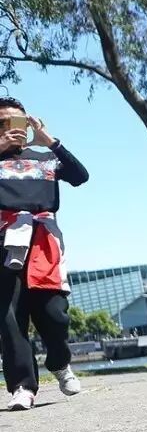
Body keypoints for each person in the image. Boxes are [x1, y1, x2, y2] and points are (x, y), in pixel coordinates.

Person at [0, 98, 89, 410]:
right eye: (2, 124)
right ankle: (22, 386)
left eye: (17, 123)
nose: (11, 130)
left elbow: (80, 176)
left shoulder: (45, 158)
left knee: (54, 313)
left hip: (44, 240)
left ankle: (60, 363)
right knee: (10, 317)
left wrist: (49, 141)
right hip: (5, 239)